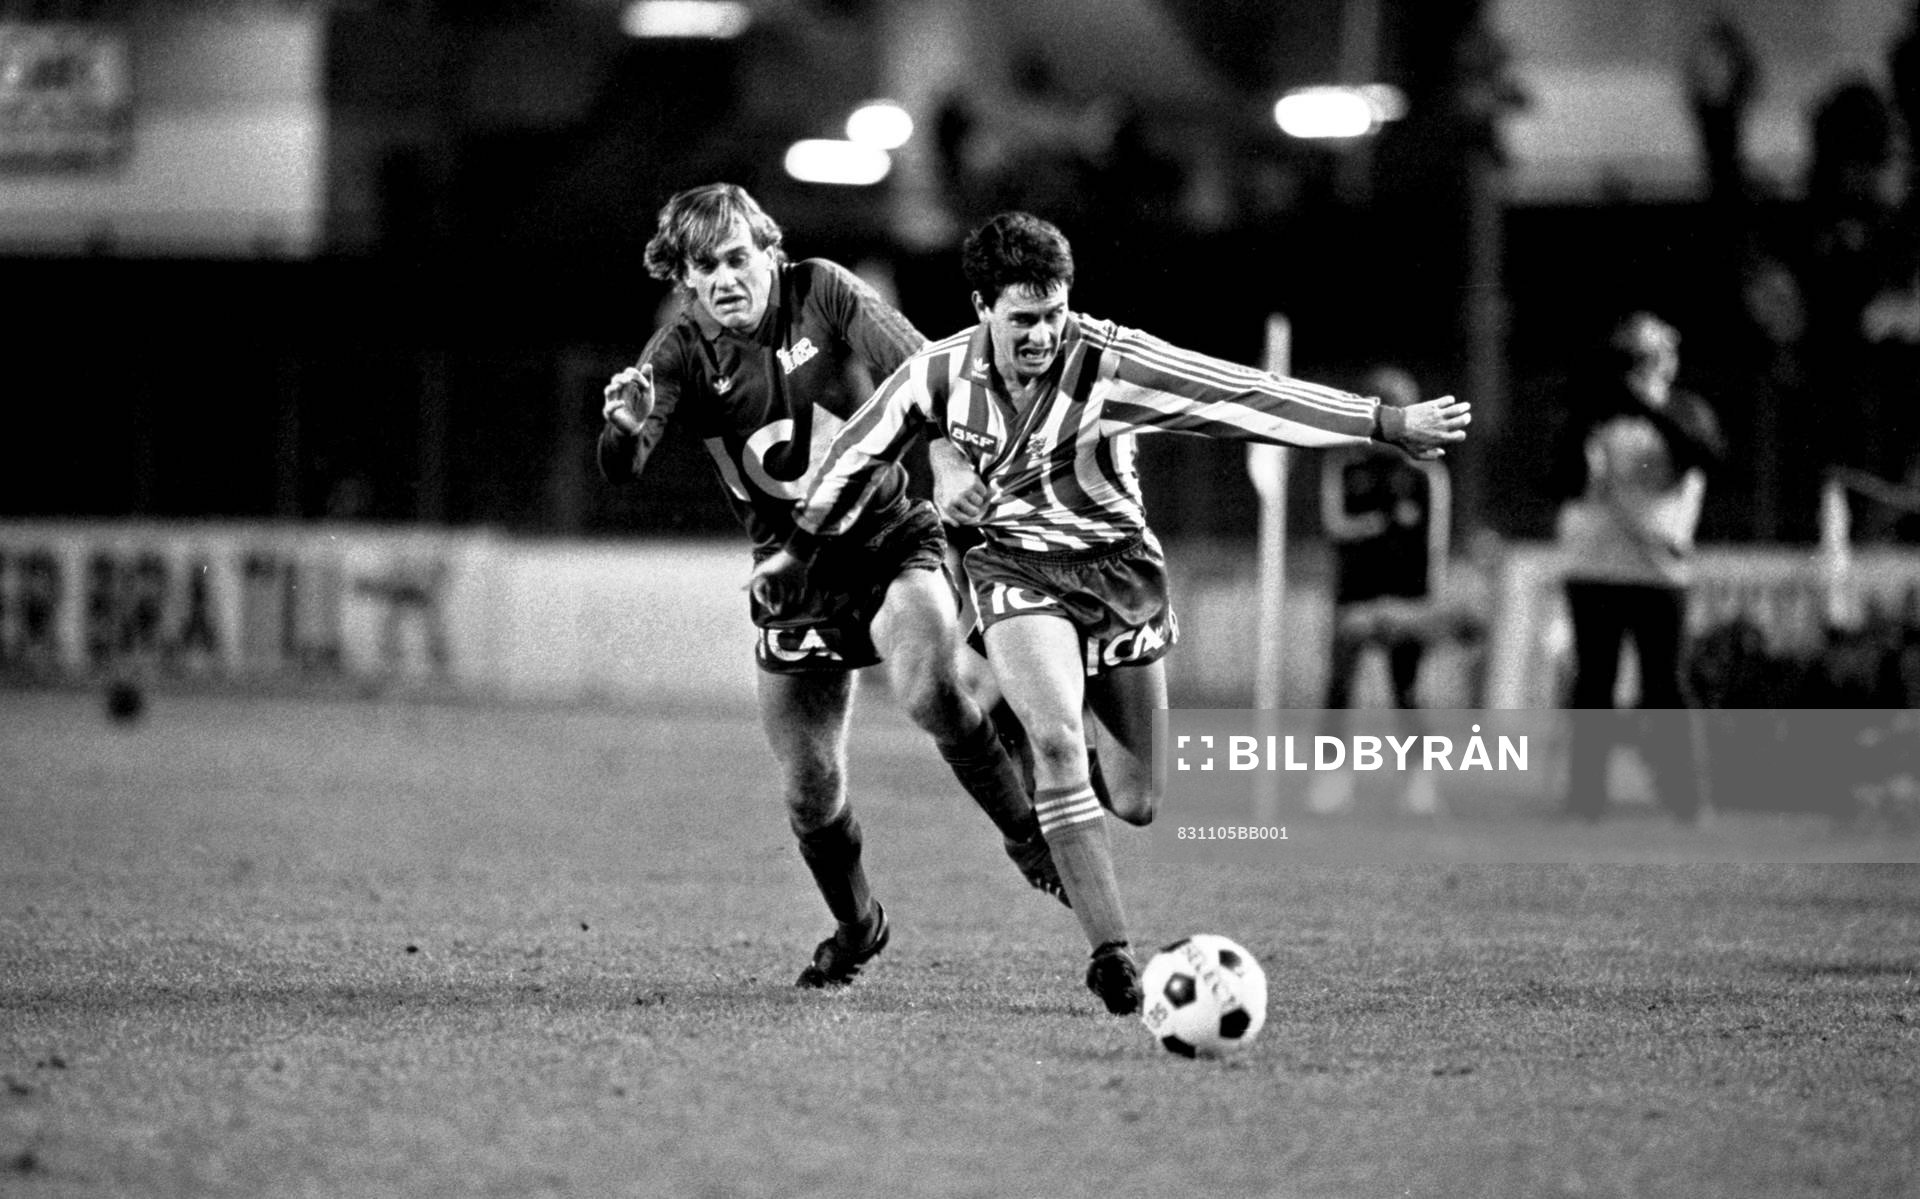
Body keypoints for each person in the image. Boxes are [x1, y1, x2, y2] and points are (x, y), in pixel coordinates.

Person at [751, 212, 1470, 1013]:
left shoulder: (1111, 361)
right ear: (983, 306)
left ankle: (1056, 771)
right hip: (1015, 568)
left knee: (1138, 798)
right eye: (1024, 318)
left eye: (1055, 313)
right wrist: (792, 555)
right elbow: (854, 454)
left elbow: (1243, 394)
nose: (1043, 333)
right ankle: (1112, 955)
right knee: (1059, 742)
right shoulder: (939, 376)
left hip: (1118, 572)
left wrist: (1381, 422)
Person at [596, 183, 1064, 992]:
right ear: (684, 278)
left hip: (889, 538)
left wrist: (949, 459)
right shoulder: (675, 353)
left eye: (738, 257)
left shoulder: (824, 290)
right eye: (704, 266)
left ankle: (1030, 838)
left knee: (927, 691)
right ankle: (858, 925)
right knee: (811, 791)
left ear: (769, 252)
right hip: (793, 578)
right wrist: (623, 429)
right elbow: (622, 467)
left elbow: (926, 372)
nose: (725, 278)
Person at [1551, 311, 1725, 822]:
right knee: (1594, 684)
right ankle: (1586, 800)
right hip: (1594, 566)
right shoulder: (1596, 416)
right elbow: (1562, 479)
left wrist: (1648, 410)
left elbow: (1706, 455)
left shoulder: (1686, 410)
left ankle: (1686, 799)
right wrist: (1590, 411)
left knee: (1665, 685)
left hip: (1658, 567)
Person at [1309, 365, 1452, 815]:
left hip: (1407, 599)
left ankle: (1418, 781)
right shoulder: (1344, 462)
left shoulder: (1427, 471)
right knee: (1339, 688)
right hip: (1354, 595)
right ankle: (1332, 779)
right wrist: (1375, 524)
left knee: (1407, 691)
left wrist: (1426, 607)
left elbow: (1436, 546)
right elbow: (1335, 524)